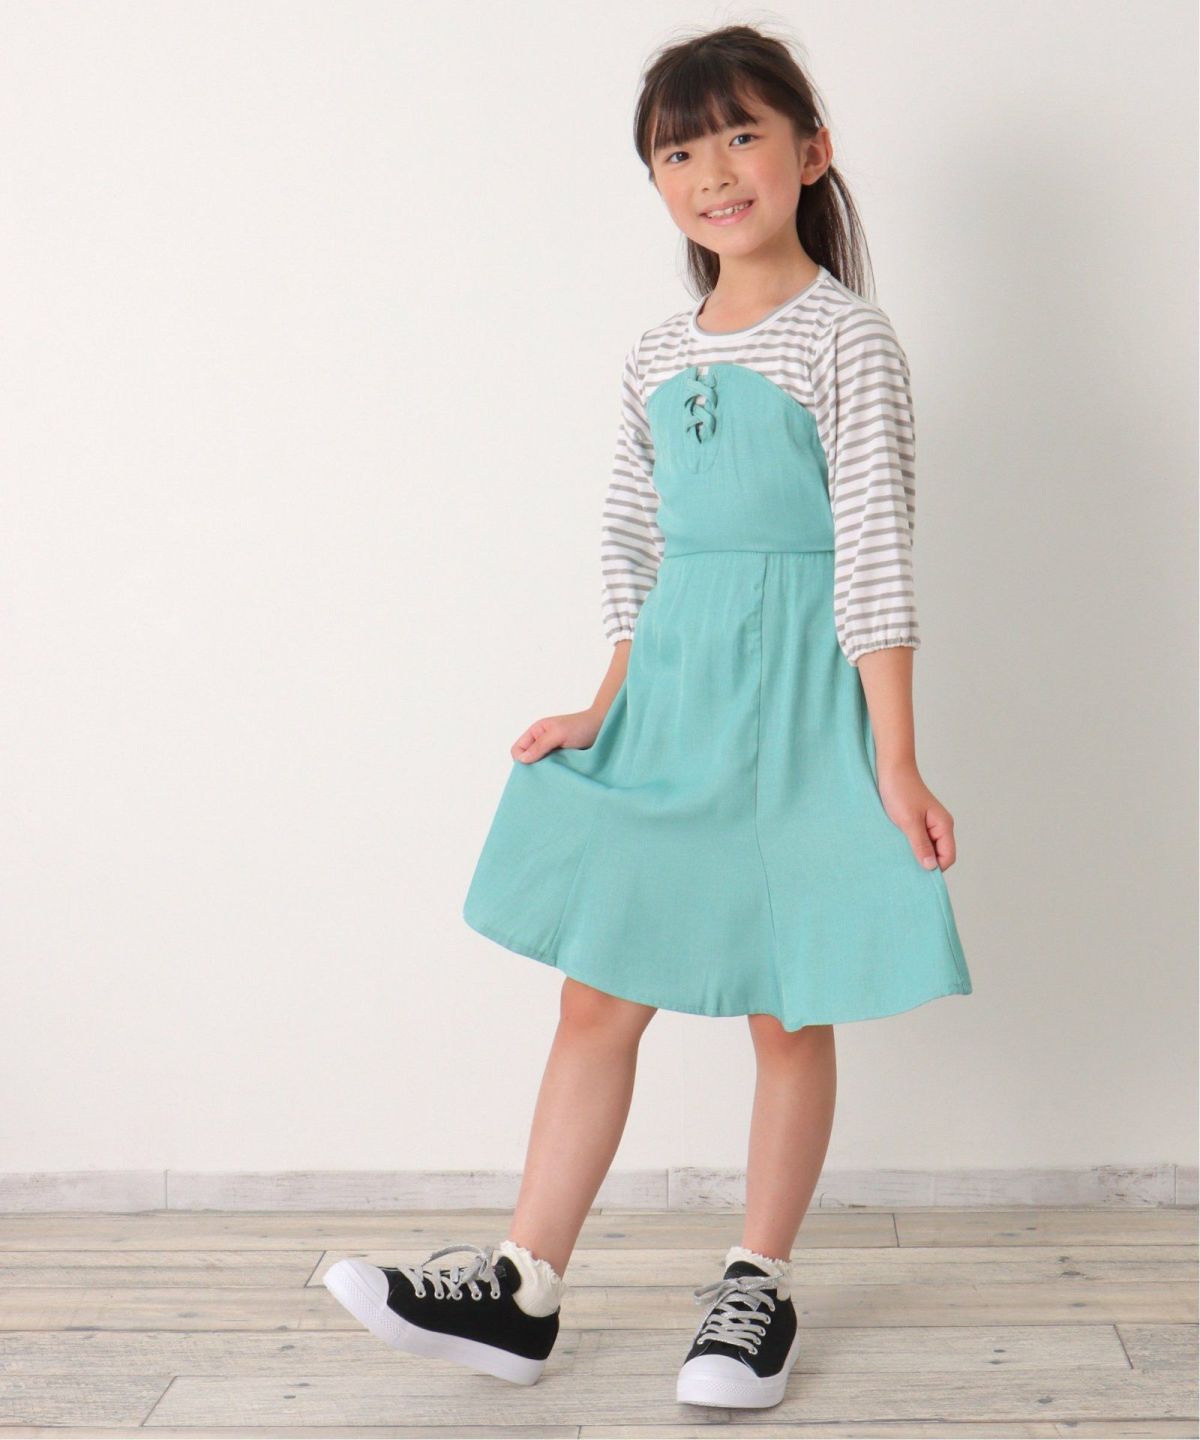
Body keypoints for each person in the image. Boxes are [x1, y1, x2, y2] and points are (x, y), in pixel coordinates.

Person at [324, 21, 974, 1411]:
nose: (713, 172)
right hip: (675, 703)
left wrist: (897, 759)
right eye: (679, 152)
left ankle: (757, 1283)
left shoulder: (850, 341)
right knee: (597, 989)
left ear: (812, 151)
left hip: (804, 705)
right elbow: (637, 545)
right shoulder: (653, 352)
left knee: (788, 1006)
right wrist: (602, 707)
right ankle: (523, 1289)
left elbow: (874, 549)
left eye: (742, 136)